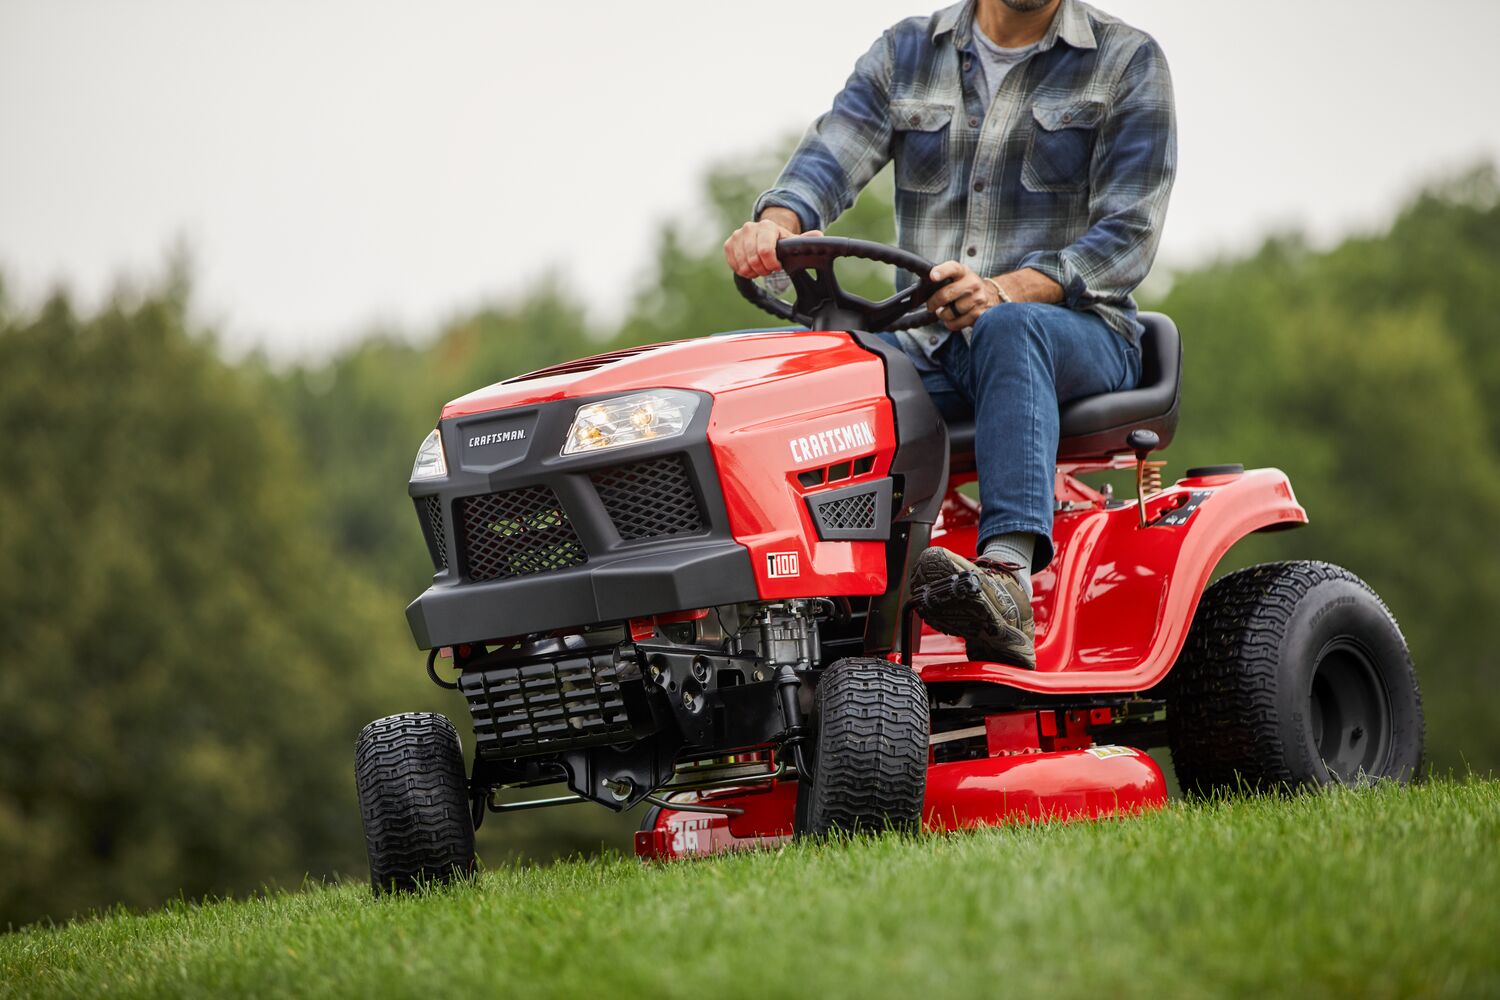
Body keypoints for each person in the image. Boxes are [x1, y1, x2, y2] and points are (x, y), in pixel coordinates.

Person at [724, 0, 1176, 669]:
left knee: (1006, 327)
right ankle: (814, 610)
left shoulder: (1126, 61)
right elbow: (830, 157)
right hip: (932, 344)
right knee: (825, 373)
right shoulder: (906, 53)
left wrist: (1005, 288)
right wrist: (779, 222)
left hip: (1080, 331)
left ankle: (1006, 580)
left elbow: (1128, 237)